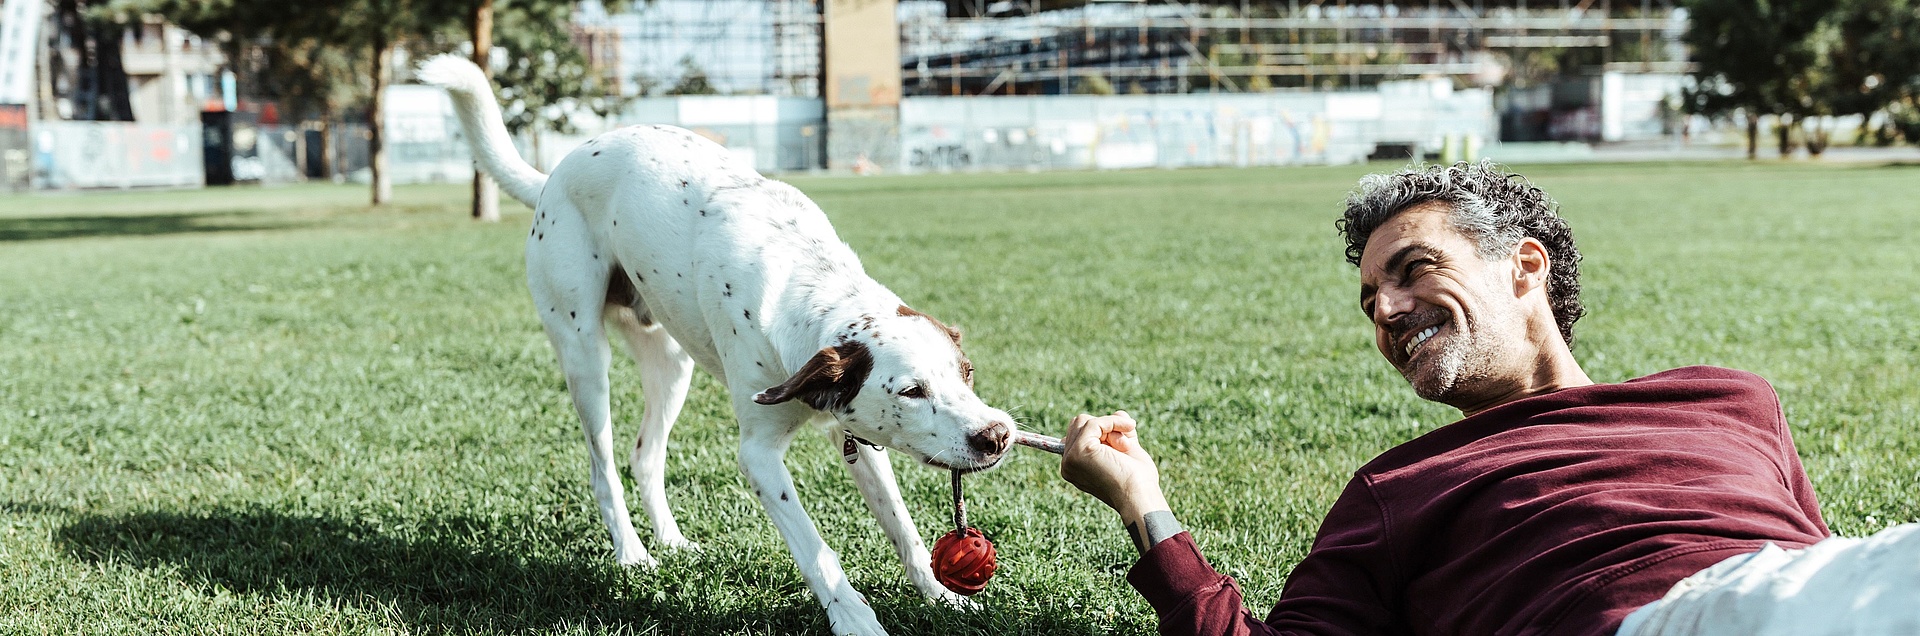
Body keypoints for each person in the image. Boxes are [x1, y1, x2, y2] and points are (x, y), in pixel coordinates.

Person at [1058, 161, 1920, 636]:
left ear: (1524, 267)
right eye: (1370, 302)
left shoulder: (1730, 399)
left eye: (1414, 270)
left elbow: (1814, 556)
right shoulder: (1395, 491)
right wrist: (1144, 504)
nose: (1386, 312)